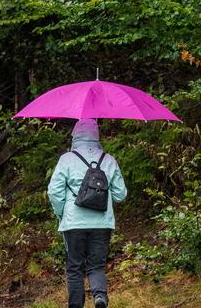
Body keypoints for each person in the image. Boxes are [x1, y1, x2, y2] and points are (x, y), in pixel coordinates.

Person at [47, 118, 127, 308]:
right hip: (102, 223)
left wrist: (61, 213)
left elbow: (54, 191)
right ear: (96, 135)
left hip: (74, 223)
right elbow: (121, 194)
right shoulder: (109, 159)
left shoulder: (66, 159)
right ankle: (100, 297)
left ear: (75, 135)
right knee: (96, 265)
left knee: (74, 268)